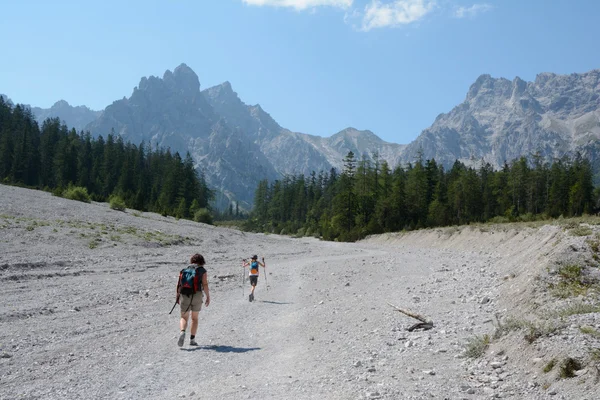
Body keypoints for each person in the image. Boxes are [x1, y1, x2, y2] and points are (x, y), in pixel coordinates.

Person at [177, 253, 210, 347]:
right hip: (197, 295)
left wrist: (178, 296)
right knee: (194, 318)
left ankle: (182, 332)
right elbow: (205, 285)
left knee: (184, 317)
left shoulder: (184, 270)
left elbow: (179, 285)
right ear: (202, 261)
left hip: (185, 294)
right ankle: (192, 339)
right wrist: (208, 296)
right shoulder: (202, 271)